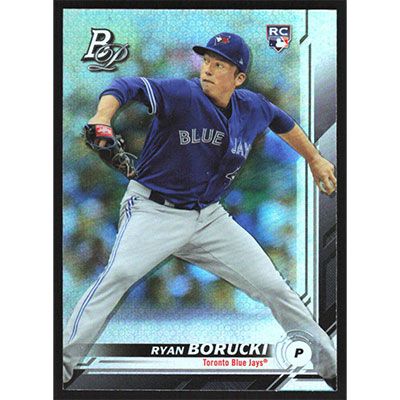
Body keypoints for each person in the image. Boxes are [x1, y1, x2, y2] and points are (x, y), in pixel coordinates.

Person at [63, 32, 337, 388]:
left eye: (219, 64)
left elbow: (282, 122)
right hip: (154, 210)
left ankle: (334, 370)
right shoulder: (183, 93)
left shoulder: (252, 106)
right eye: (206, 60)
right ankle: (59, 367)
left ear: (238, 78)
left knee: (275, 288)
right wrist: (103, 116)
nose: (207, 69)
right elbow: (126, 85)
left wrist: (315, 158)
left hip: (209, 218)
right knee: (117, 277)